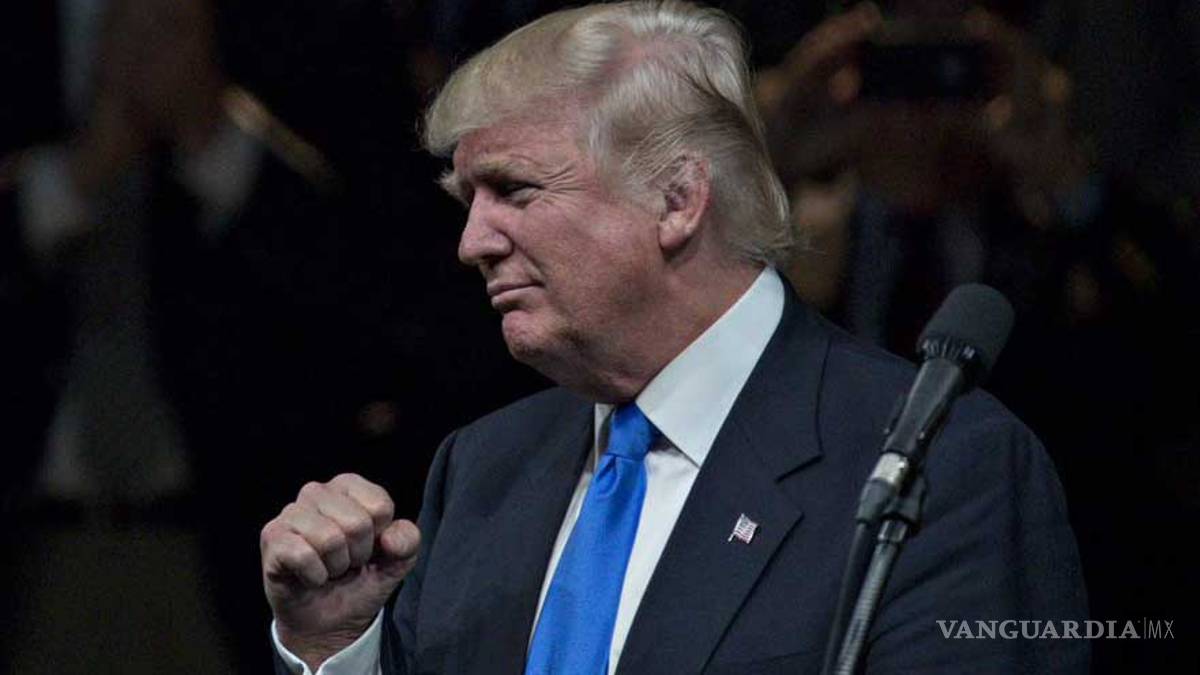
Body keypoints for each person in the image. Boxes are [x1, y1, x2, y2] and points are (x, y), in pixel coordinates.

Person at [260, 2, 1088, 673]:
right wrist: (335, 647)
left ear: (677, 198)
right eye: (467, 201)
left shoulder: (940, 463)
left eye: (514, 189)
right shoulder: (480, 470)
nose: (472, 242)